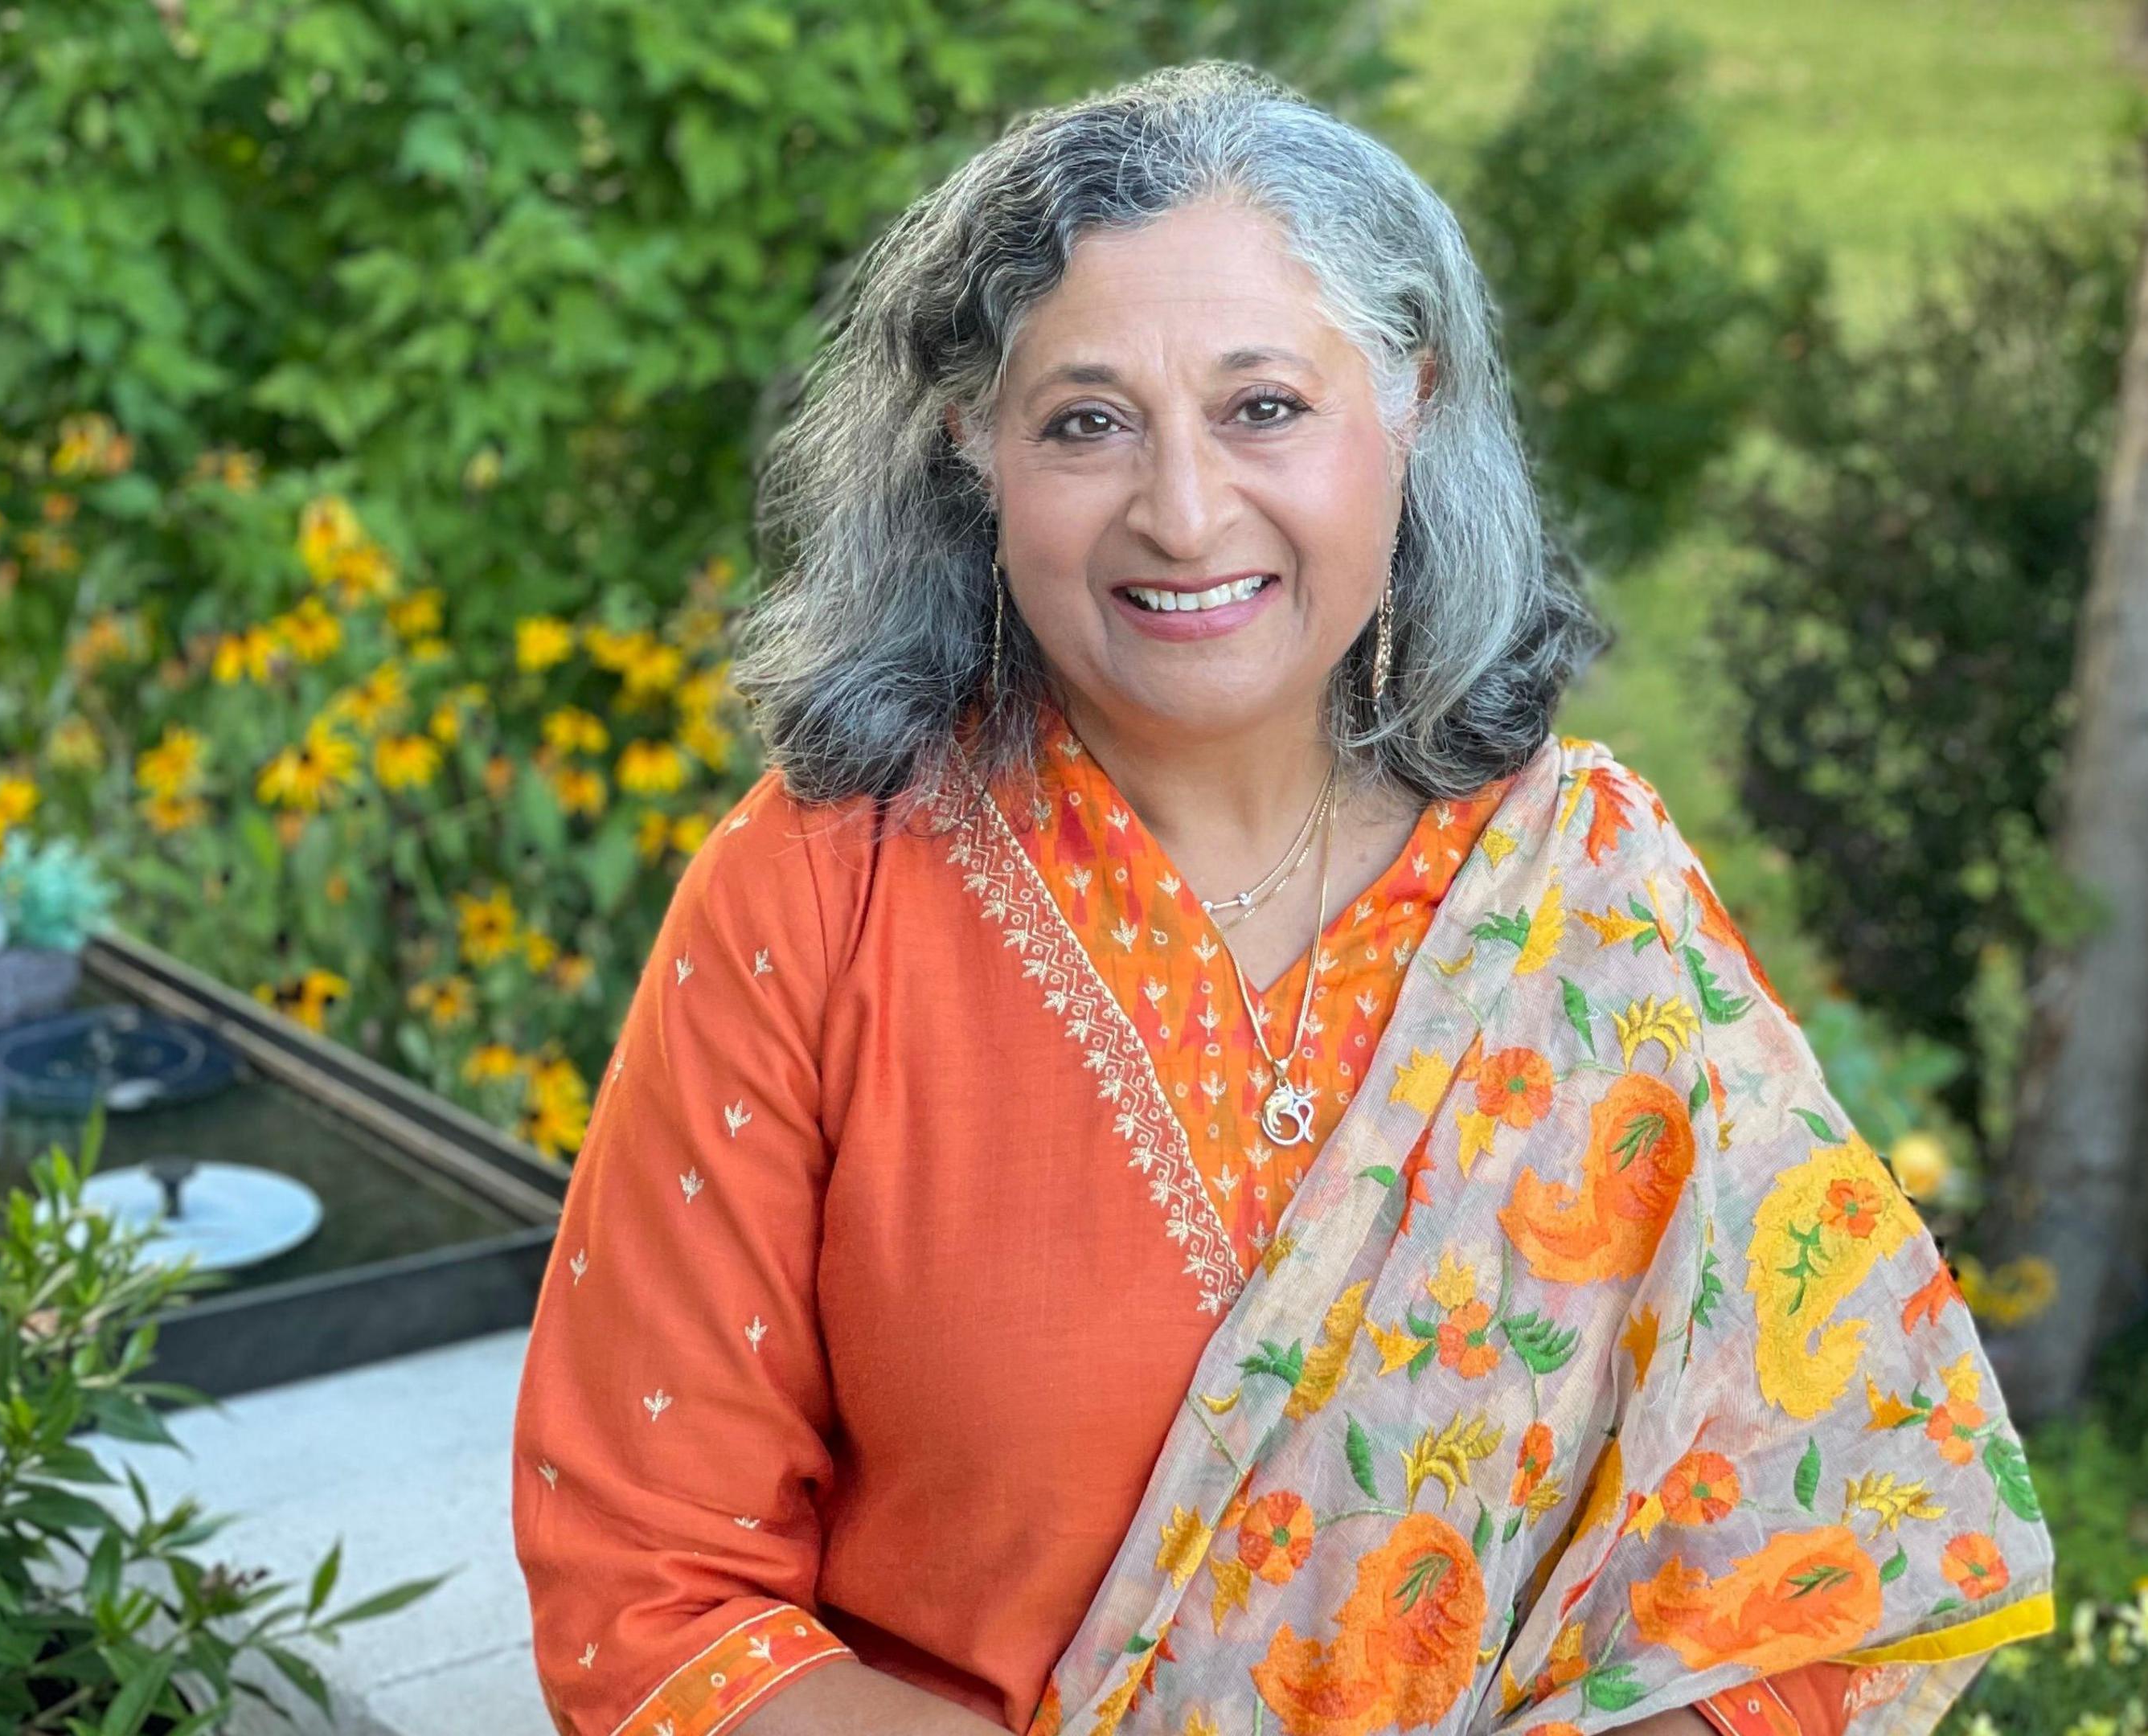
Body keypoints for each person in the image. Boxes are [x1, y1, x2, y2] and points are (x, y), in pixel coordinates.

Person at [509, 61, 2052, 1736]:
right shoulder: (818, 895)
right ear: (972, 446)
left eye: (1264, 409)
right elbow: (657, 1591)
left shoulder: (1589, 909)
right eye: (1086, 421)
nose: (1182, 513)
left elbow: (1818, 1548)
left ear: (1409, 404)